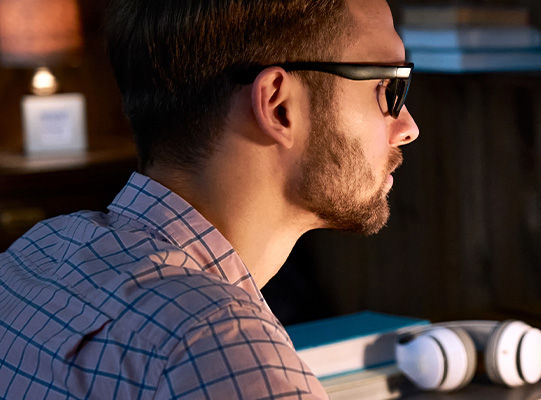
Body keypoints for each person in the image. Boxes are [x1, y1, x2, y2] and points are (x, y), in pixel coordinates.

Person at [0, 0, 418, 397]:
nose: (407, 127)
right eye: (387, 86)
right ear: (279, 107)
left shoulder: (33, 255)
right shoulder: (222, 350)